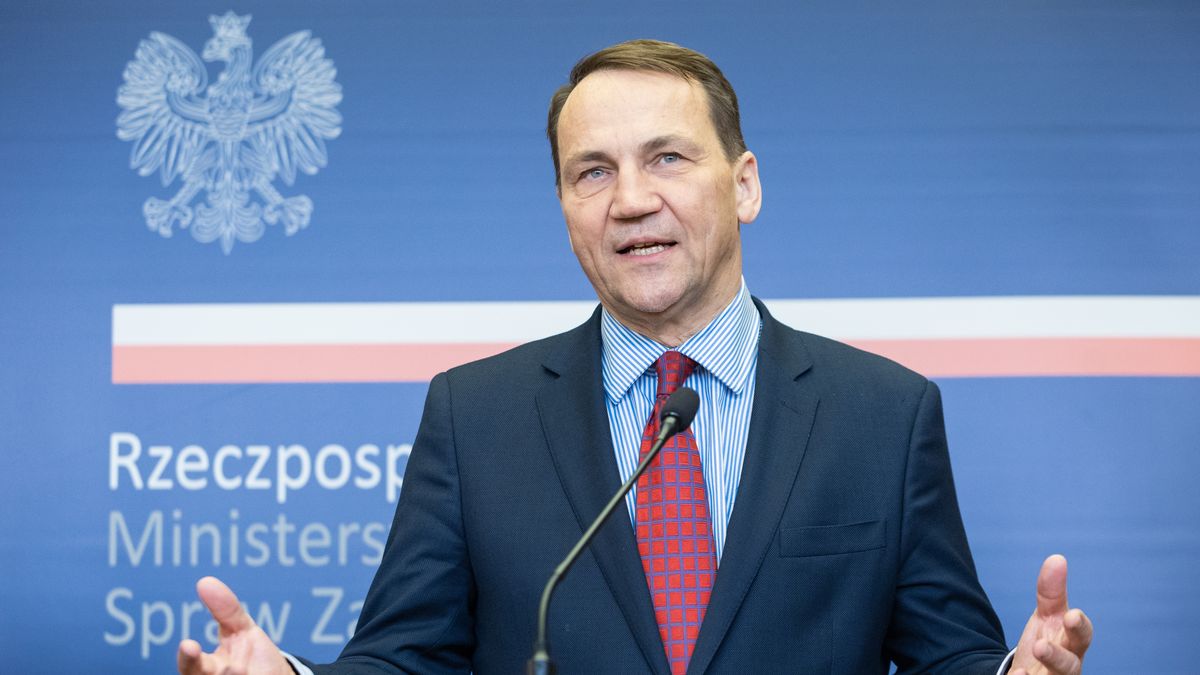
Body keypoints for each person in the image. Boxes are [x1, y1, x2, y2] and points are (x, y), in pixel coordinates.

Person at [178, 39, 1092, 675]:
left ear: (745, 185)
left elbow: (943, 654)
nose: (630, 199)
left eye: (667, 158)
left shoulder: (882, 413)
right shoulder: (475, 415)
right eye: (593, 171)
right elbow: (404, 658)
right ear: (567, 209)